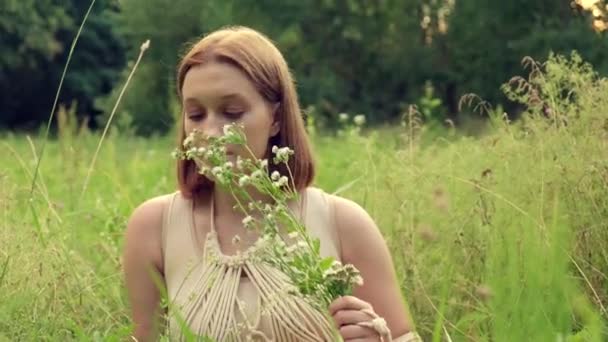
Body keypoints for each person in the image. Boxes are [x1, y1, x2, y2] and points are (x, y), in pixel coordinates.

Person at [123, 26, 421, 342]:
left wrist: (376, 337)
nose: (210, 132)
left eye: (232, 112)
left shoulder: (344, 223)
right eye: (195, 114)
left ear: (276, 118)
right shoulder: (154, 228)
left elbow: (402, 335)